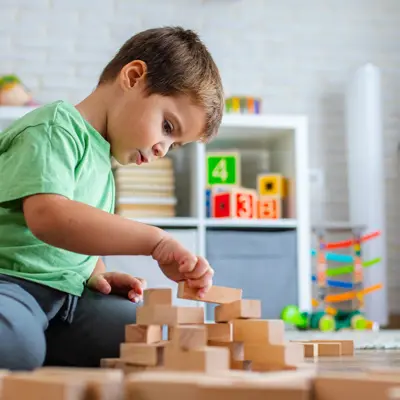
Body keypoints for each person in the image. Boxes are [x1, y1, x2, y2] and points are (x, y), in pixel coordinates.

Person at [0, 26, 224, 371]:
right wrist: (155, 242)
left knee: (143, 336)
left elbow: (77, 238)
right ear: (133, 77)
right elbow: (49, 217)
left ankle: (46, 341)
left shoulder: (104, 162)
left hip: (67, 297)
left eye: (175, 144)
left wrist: (95, 271)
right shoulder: (54, 128)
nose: (162, 149)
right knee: (17, 347)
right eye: (167, 127)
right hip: (11, 284)